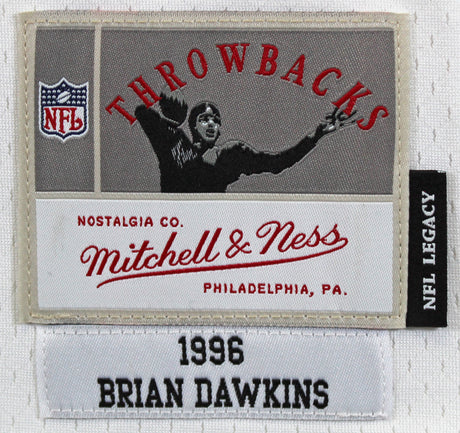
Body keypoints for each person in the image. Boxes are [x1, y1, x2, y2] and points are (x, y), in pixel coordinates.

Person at [135, 97, 355, 193]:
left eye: (216, 121)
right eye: (205, 119)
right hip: (171, 227)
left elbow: (277, 163)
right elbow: (142, 113)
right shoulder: (175, 144)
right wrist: (173, 120)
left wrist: (316, 135)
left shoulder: (229, 155)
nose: (212, 124)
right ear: (193, 125)